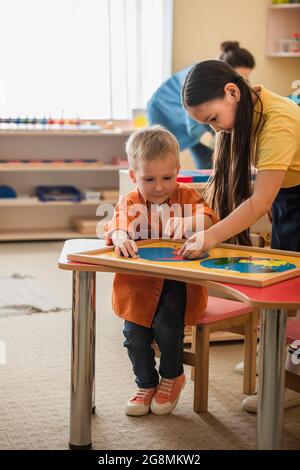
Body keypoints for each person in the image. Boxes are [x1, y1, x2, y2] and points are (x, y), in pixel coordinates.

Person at [179, 59, 300, 412]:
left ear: (232, 92)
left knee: (290, 291)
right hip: (291, 195)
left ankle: (285, 375)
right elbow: (265, 193)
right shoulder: (252, 104)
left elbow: (260, 199)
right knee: (284, 279)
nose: (215, 129)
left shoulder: (279, 121)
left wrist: (211, 236)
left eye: (213, 118)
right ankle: (278, 355)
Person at [104, 125, 218, 416]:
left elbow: (209, 217)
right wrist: (120, 235)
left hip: (177, 283)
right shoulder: (130, 201)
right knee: (134, 337)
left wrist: (190, 222)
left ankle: (172, 376)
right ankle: (145, 383)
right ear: (133, 176)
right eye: (148, 179)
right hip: (137, 287)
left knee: (169, 330)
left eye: (167, 177)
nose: (158, 187)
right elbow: (115, 223)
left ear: (178, 169)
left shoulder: (187, 195)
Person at [147, 41, 255, 170]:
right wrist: (222, 146)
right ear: (226, 71)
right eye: (240, 77)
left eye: (245, 79)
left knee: (214, 154)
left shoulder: (224, 86)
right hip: (164, 109)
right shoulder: (200, 81)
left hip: (193, 115)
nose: (242, 83)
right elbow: (194, 128)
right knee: (205, 160)